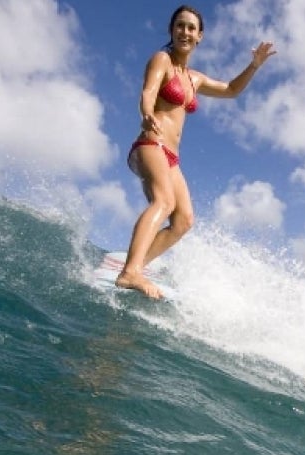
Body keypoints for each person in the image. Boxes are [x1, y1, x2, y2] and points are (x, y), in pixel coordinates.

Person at [116, 4, 276, 299]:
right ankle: (130, 273)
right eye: (180, 26)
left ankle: (135, 265)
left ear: (200, 36)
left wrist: (253, 65)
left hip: (172, 156)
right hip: (151, 143)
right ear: (171, 31)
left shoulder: (195, 79)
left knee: (183, 221)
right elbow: (149, 91)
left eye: (191, 28)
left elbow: (230, 90)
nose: (185, 32)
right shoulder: (161, 59)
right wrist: (146, 111)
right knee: (163, 202)